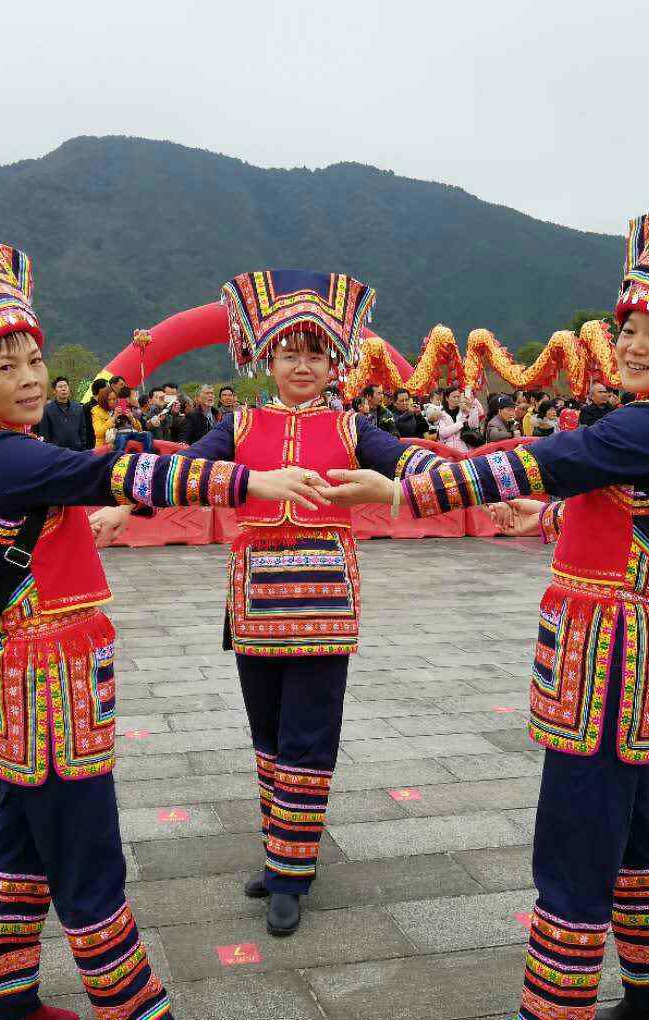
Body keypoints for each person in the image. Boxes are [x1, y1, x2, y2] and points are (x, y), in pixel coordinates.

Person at [322, 202, 649, 1020]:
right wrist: (549, 519)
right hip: (621, 647)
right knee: (631, 829)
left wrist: (405, 488)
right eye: (626, 328)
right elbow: (631, 517)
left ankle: (552, 1009)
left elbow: (548, 458)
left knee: (576, 839)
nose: (629, 345)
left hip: (610, 658)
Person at [0, 242, 324, 1020]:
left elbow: (91, 480)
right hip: (48, 691)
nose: (30, 377)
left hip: (31, 688)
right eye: (7, 368)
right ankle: (132, 1008)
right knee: (87, 858)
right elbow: (118, 474)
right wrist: (252, 478)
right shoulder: (1, 459)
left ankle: (1, 1003)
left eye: (33, 359)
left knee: (20, 849)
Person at [181, 269, 446, 938]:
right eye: (290, 352)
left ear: (336, 362)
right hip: (256, 602)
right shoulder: (238, 423)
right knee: (267, 733)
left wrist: (474, 485)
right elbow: (186, 469)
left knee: (307, 737)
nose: (303, 365)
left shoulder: (354, 428)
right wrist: (124, 507)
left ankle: (292, 875)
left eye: (316, 353)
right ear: (267, 359)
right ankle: (279, 856)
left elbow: (414, 462)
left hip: (325, 601)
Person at [435, 386, 479, 454]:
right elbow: (443, 433)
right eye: (454, 397)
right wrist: (461, 423)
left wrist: (472, 407)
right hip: (448, 451)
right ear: (447, 398)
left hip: (464, 450)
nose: (456, 399)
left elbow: (473, 426)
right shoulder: (442, 413)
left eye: (458, 397)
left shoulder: (464, 411)